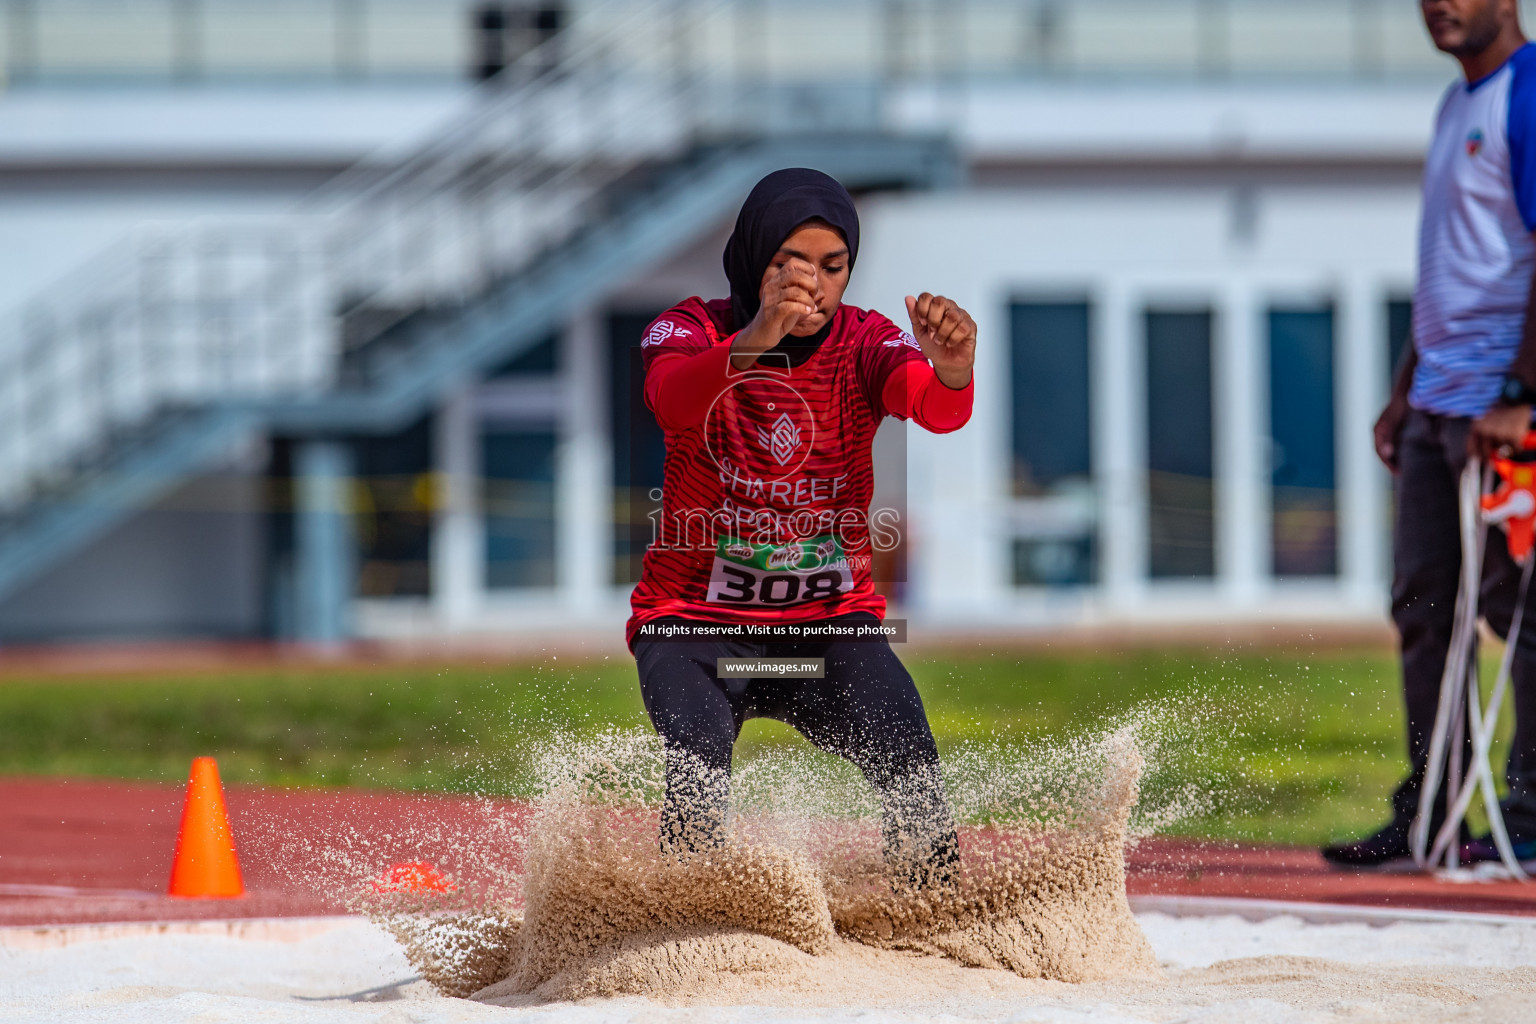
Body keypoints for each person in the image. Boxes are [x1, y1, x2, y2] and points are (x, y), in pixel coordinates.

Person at [625, 168, 976, 886]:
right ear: (755, 259)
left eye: (832, 265)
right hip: (694, 631)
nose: (811, 282)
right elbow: (671, 400)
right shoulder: (689, 328)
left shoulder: (867, 343)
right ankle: (682, 931)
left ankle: (934, 914)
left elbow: (936, 410)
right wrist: (755, 339)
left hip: (823, 631)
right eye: (790, 261)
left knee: (907, 747)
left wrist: (953, 373)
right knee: (696, 758)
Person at [1324, 0, 1536, 868]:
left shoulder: (1526, 95)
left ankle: (1525, 815)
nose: (1438, 5)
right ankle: (1434, 811)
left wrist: (1525, 394)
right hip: (1439, 403)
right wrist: (1404, 388)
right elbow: (1449, 261)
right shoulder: (1456, 104)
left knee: (1520, 612)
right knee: (1422, 605)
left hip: (1503, 405)